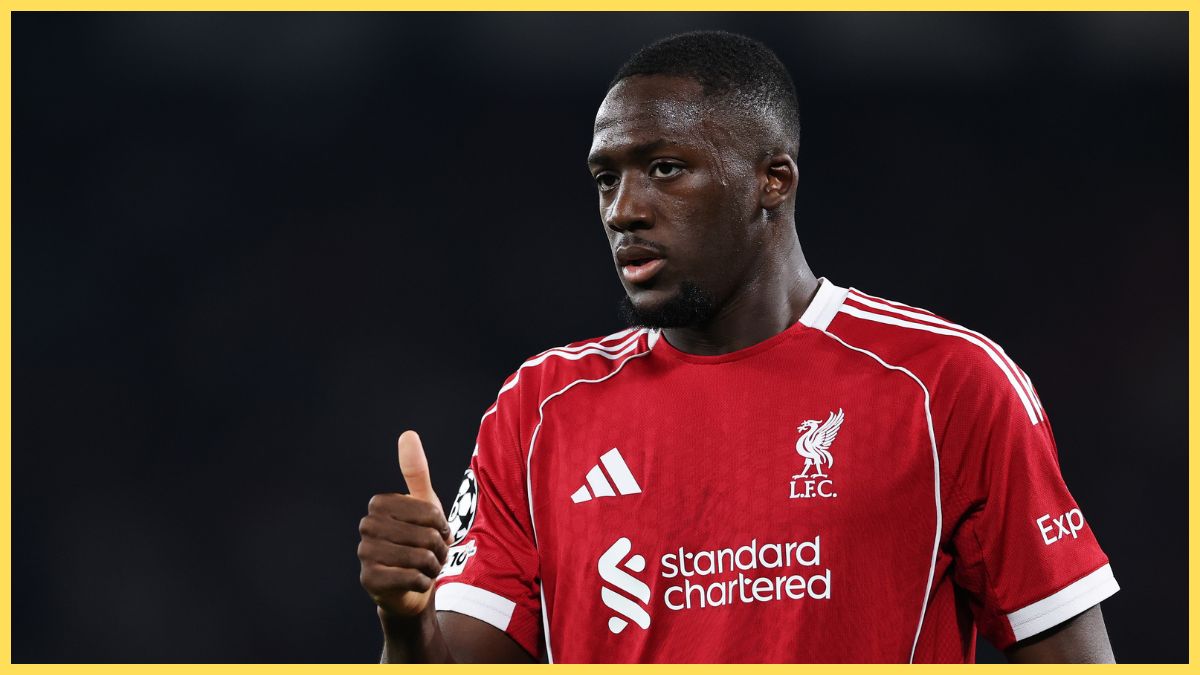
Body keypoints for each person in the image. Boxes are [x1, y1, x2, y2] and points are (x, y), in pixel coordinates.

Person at [356, 31, 1118, 663]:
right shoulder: (538, 410)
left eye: (665, 169)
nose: (624, 210)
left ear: (772, 181)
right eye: (605, 179)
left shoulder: (946, 383)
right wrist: (404, 622)